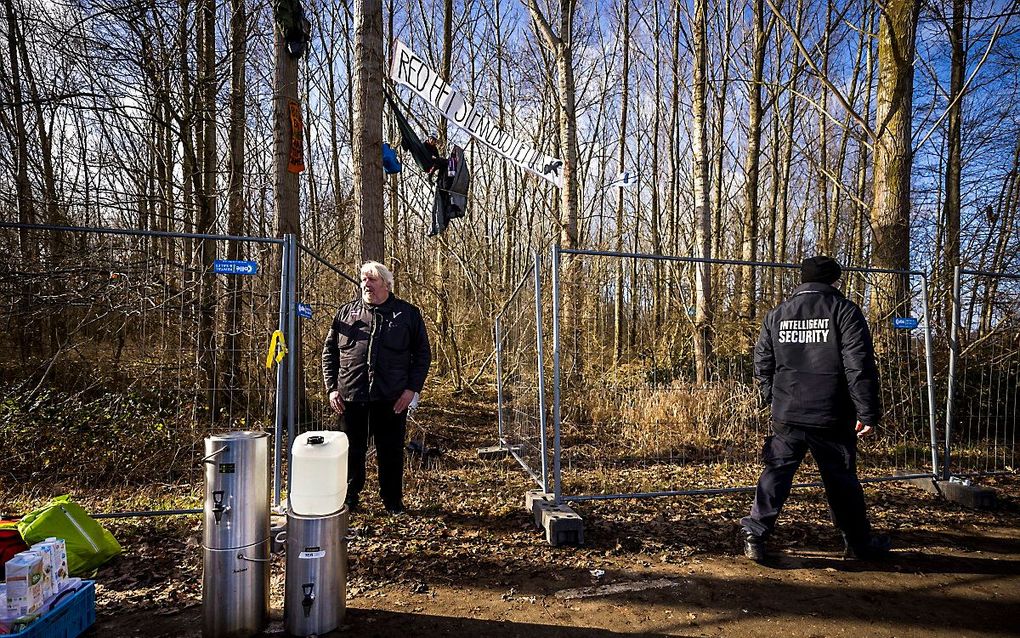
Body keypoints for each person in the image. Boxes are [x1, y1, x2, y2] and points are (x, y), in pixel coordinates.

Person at [740, 255, 891, 562]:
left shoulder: (777, 314)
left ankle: (755, 535)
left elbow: (762, 362)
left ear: (802, 280)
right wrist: (867, 411)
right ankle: (858, 543)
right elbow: (858, 364)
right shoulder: (844, 311)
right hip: (831, 413)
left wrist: (771, 397)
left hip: (787, 410)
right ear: (835, 280)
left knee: (776, 473)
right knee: (841, 480)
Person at [322, 261, 431, 515]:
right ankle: (349, 499)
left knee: (391, 452)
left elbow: (422, 355)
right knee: (350, 452)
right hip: (350, 395)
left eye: (371, 280)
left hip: (391, 398)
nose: (366, 285)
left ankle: (393, 501)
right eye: (363, 279)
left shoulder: (407, 314)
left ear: (386, 283)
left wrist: (411, 390)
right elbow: (329, 353)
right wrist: (331, 388)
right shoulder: (346, 313)